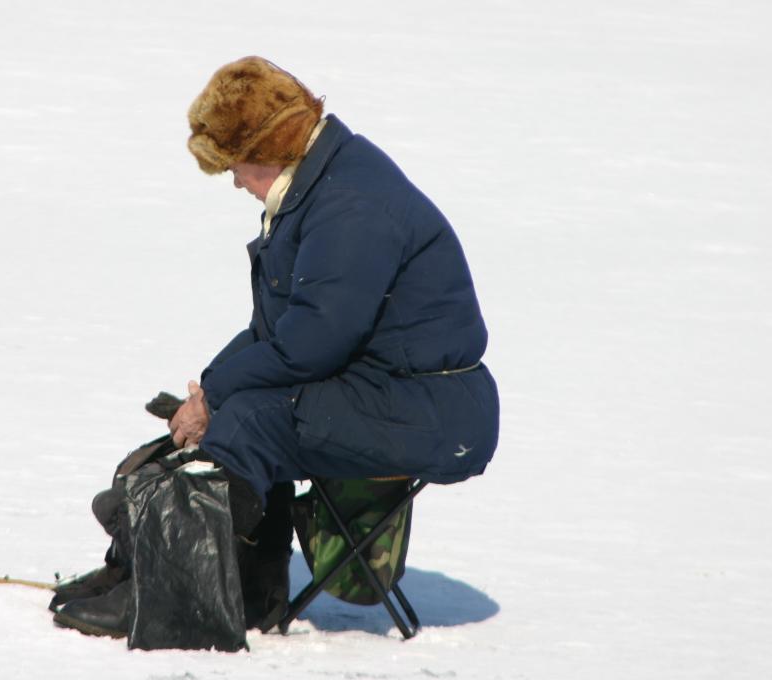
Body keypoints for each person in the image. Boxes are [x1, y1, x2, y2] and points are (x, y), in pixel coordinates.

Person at [53, 55, 499, 639]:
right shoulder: (321, 184)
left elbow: (310, 346)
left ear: (265, 148)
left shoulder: (350, 204)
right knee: (241, 411)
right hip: (387, 388)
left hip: (433, 409)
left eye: (235, 166)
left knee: (255, 421)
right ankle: (162, 571)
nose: (235, 181)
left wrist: (216, 398)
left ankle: (177, 600)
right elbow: (277, 333)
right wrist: (208, 386)